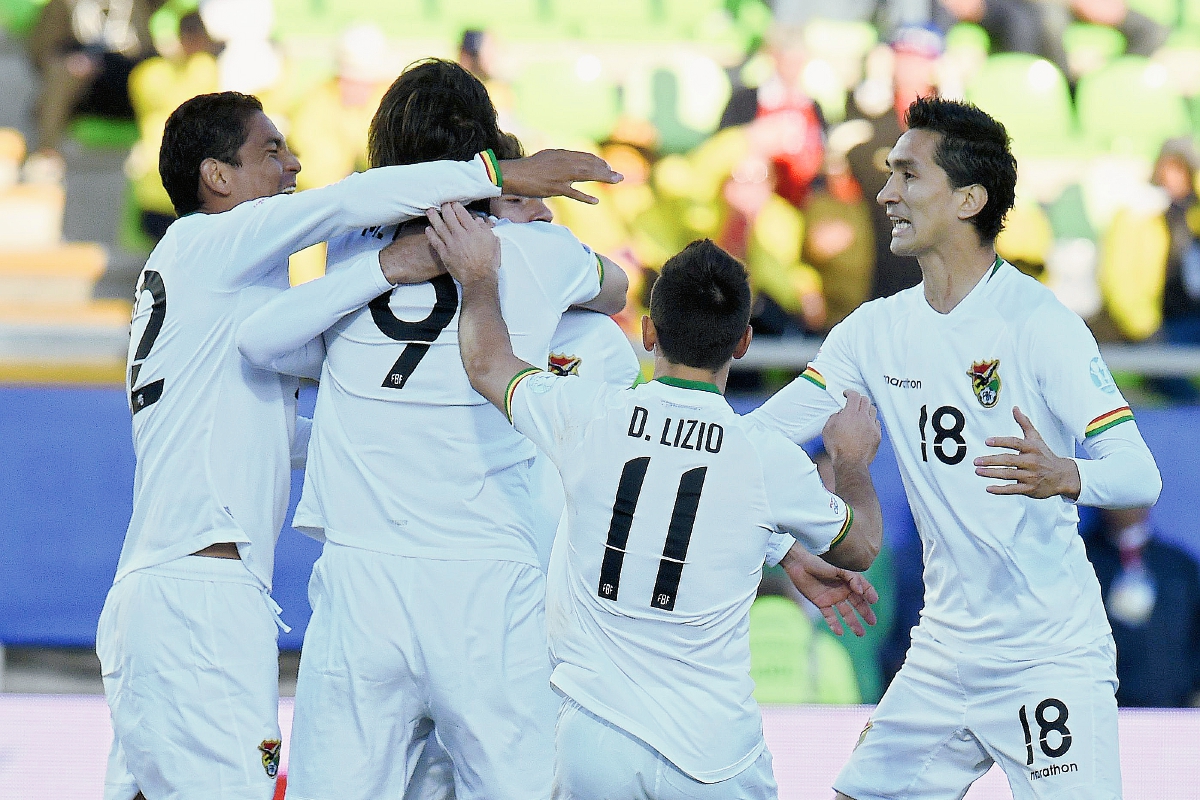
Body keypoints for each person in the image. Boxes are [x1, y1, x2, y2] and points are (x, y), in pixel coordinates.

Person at [96, 88, 621, 800]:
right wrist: (496, 178)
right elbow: (347, 202)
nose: (293, 164)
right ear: (217, 177)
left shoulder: (223, 279)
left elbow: (279, 374)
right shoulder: (218, 242)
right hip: (208, 597)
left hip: (189, 586)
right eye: (271, 151)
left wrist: (362, 406)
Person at [746, 95, 1162, 799]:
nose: (886, 194)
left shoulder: (1039, 325)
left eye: (908, 175)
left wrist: (1066, 475)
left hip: (1046, 654)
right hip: (944, 651)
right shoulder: (872, 332)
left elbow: (1138, 473)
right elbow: (756, 441)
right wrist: (776, 545)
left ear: (969, 198)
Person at [429, 216, 884, 798]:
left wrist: (478, 278)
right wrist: (851, 460)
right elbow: (863, 545)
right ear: (743, 342)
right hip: (713, 753)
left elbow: (487, 362)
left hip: (597, 741)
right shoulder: (764, 458)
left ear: (648, 332)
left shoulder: (587, 415)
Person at [1083, 507, 1200, 708]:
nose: (1128, 504)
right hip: (1099, 711)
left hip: (1174, 712)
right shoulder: (1079, 562)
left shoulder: (1179, 565)